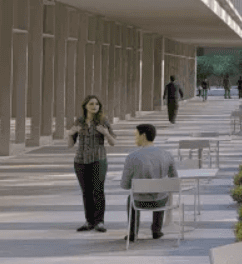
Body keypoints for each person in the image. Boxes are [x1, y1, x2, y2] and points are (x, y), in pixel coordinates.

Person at [120, 123, 178, 241]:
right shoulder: (167, 155)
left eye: (136, 135)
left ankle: (133, 233)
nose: (134, 138)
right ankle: (157, 230)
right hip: (160, 202)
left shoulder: (132, 157)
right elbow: (174, 180)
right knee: (162, 193)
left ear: (143, 136)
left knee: (130, 198)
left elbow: (125, 185)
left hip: (139, 202)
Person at [68, 95, 115, 233]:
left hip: (98, 160)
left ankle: (99, 221)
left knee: (98, 190)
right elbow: (70, 145)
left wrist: (106, 133)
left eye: (97, 104)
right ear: (85, 106)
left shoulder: (103, 122)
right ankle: (89, 221)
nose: (94, 106)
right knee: (86, 192)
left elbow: (113, 142)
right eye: (91, 104)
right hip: (80, 160)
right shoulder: (79, 122)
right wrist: (70, 134)